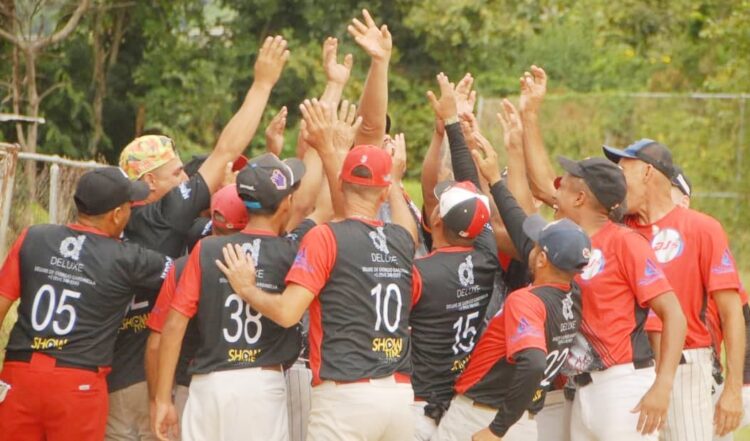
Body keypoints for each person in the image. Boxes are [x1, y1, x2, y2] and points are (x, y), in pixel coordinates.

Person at [106, 35, 291, 441]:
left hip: (114, 373)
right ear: (149, 181)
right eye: (175, 174)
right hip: (142, 380)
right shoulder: (162, 216)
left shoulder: (112, 217)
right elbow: (225, 152)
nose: (185, 179)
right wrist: (262, 84)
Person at [215, 97, 419, 438]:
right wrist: (393, 181)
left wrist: (247, 288)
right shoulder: (400, 241)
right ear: (383, 194)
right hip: (399, 395)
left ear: (339, 184)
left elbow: (287, 313)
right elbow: (396, 224)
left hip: (346, 395)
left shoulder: (325, 237)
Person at [510, 66, 687, 441]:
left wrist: (662, 384)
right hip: (581, 390)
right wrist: (528, 116)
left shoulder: (624, 242)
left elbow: (673, 313)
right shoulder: (561, 238)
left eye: (569, 180)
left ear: (580, 197)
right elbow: (541, 187)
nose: (557, 186)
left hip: (622, 387)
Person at [153, 152, 330, 441]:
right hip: (261, 386)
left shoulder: (206, 250)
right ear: (286, 203)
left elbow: (173, 327)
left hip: (209, 385)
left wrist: (162, 399)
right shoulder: (294, 253)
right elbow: (325, 208)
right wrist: (324, 148)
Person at [0, 167, 172, 441]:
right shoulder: (127, 258)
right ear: (117, 214)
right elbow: (180, 272)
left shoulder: (32, 236)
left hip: (19, 374)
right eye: (129, 207)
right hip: (77, 383)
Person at [604, 139, 745, 440]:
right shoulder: (616, 230)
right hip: (628, 369)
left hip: (686, 368)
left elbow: (732, 312)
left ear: (647, 172)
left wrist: (733, 389)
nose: (616, 182)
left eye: (623, 172)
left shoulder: (702, 228)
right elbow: (554, 195)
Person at [434, 212, 589, 441]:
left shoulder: (526, 301)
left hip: (482, 417)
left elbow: (534, 362)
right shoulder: (573, 295)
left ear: (542, 259)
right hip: (523, 422)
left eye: (535, 246)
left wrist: (497, 429)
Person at [144, 184, 250, 437]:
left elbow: (156, 343)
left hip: (191, 387)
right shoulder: (267, 263)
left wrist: (158, 400)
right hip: (251, 386)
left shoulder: (183, 266)